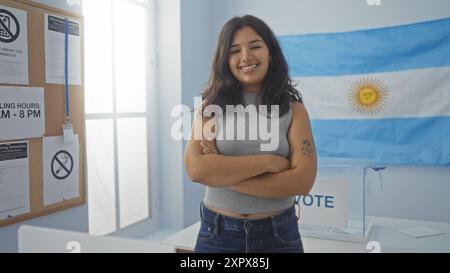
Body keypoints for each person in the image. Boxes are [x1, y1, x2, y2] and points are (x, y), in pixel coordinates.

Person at [184, 15, 317, 253]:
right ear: (225, 59)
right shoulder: (210, 107)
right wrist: (269, 162)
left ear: (271, 52)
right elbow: (196, 170)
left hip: (279, 235)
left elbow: (302, 181)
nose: (246, 56)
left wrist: (221, 172)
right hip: (217, 233)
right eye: (235, 50)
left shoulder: (294, 110)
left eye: (255, 46)